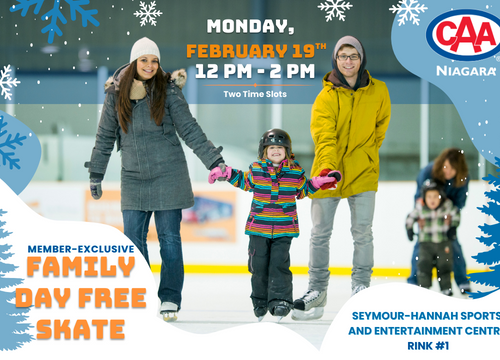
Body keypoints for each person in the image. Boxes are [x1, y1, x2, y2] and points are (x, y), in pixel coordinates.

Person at [84, 37, 225, 322]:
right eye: (144, 60)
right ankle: (143, 294)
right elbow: (105, 137)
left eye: (154, 60)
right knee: (133, 242)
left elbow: (190, 129)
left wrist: (214, 160)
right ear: (134, 62)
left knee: (170, 241)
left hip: (168, 174)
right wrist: (96, 173)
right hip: (134, 177)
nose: (150, 65)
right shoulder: (115, 95)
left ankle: (170, 298)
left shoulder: (168, 91)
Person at [291, 35, 391, 321]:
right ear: (335, 60)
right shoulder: (325, 97)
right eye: (343, 56)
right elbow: (324, 137)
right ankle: (317, 292)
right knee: (320, 234)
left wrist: (367, 156)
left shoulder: (379, 92)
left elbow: (379, 130)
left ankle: (361, 289)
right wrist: (328, 170)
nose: (348, 61)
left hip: (363, 172)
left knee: (363, 233)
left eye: (353, 56)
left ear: (362, 59)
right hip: (327, 174)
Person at [208, 129, 339, 322]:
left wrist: (320, 182)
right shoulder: (256, 169)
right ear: (264, 151)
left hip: (284, 229)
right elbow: (243, 180)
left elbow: (303, 190)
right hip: (258, 228)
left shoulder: (295, 172)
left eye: (280, 147)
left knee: (279, 265)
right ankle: (260, 302)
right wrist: (226, 173)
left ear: (287, 150)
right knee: (258, 266)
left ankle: (280, 301)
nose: (276, 151)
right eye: (271, 148)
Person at [407, 148, 471, 294]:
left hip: (445, 218)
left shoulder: (463, 178)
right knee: (421, 248)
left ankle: (463, 283)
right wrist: (419, 216)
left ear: (459, 170)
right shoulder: (428, 171)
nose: (448, 172)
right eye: (446, 167)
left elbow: (460, 202)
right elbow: (419, 196)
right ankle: (413, 282)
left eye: (453, 169)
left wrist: (452, 220)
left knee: (453, 246)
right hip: (427, 219)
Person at [405, 180, 460, 295]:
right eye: (429, 196)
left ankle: (446, 288)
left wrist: (453, 227)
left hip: (443, 242)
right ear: (424, 197)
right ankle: (423, 288)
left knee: (445, 266)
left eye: (435, 196)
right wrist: (409, 229)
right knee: (423, 265)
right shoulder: (421, 208)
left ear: (441, 196)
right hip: (425, 244)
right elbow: (410, 217)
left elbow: (456, 214)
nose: (432, 199)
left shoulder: (447, 206)